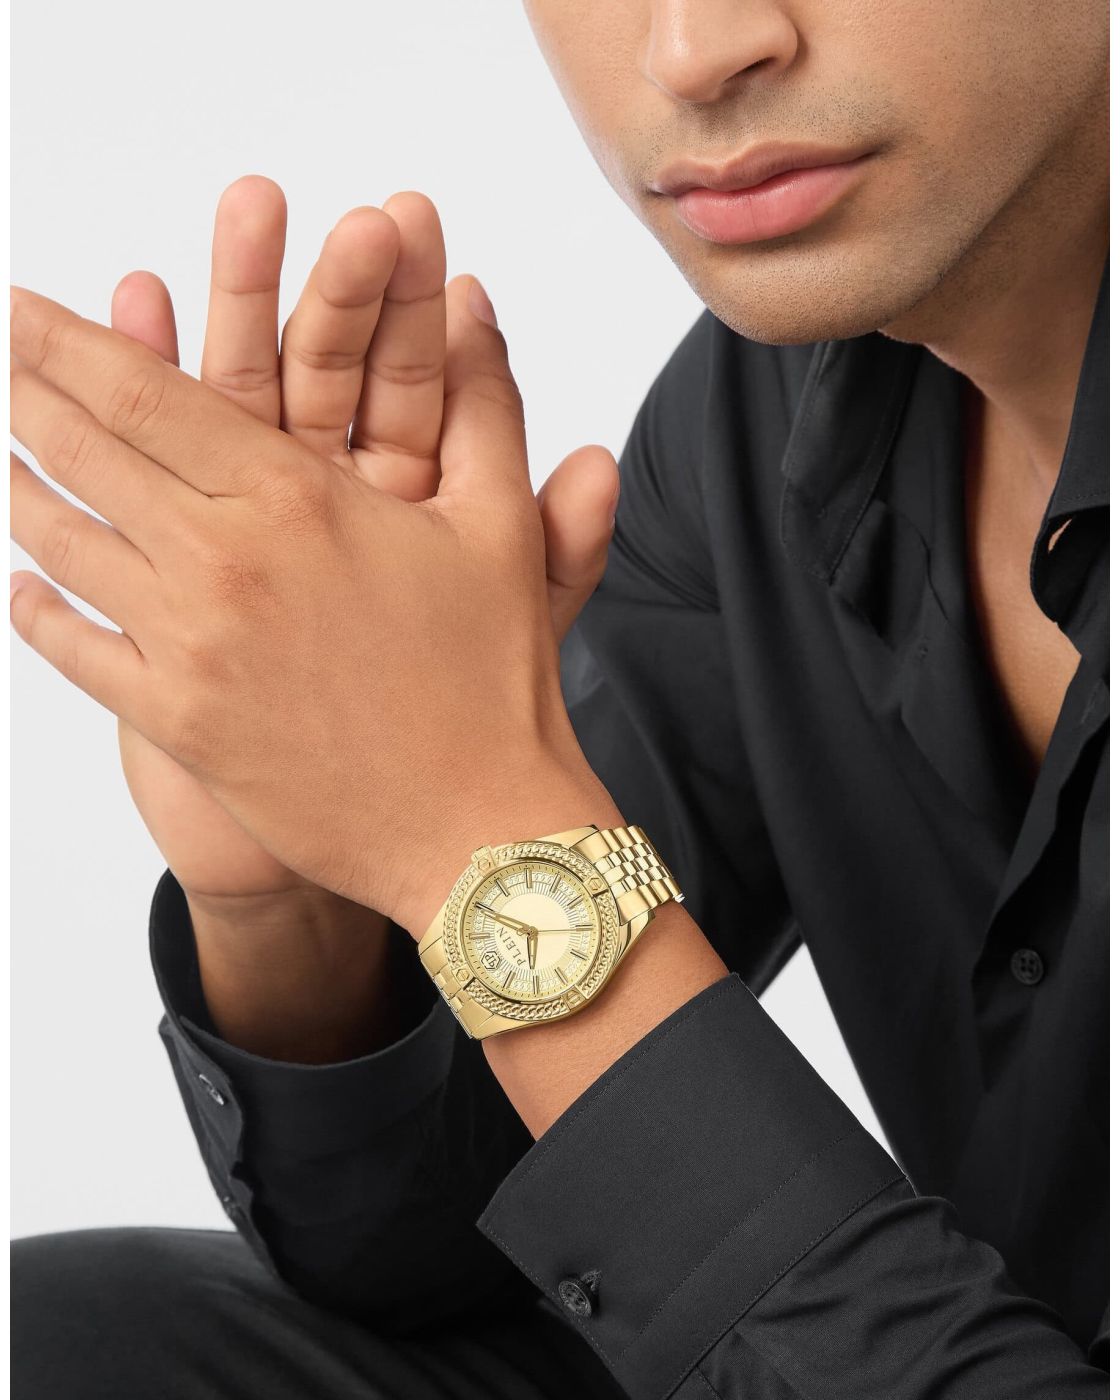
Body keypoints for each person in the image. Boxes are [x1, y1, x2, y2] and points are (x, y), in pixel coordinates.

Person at [11, 1, 1108, 1396]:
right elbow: (470, 1238)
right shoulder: (767, 412)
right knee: (69, 1344)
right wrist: (294, 889)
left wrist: (471, 839)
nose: (693, 49)